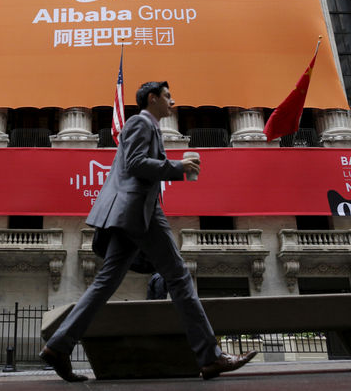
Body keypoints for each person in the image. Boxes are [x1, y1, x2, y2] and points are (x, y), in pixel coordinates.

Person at [40, 81, 256, 382]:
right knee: (178, 276)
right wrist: (178, 167)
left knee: (105, 283)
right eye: (168, 96)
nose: (173, 100)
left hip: (132, 211)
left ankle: (57, 347)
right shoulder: (140, 123)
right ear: (153, 99)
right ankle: (211, 356)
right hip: (140, 211)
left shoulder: (144, 125)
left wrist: (174, 169)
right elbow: (136, 163)